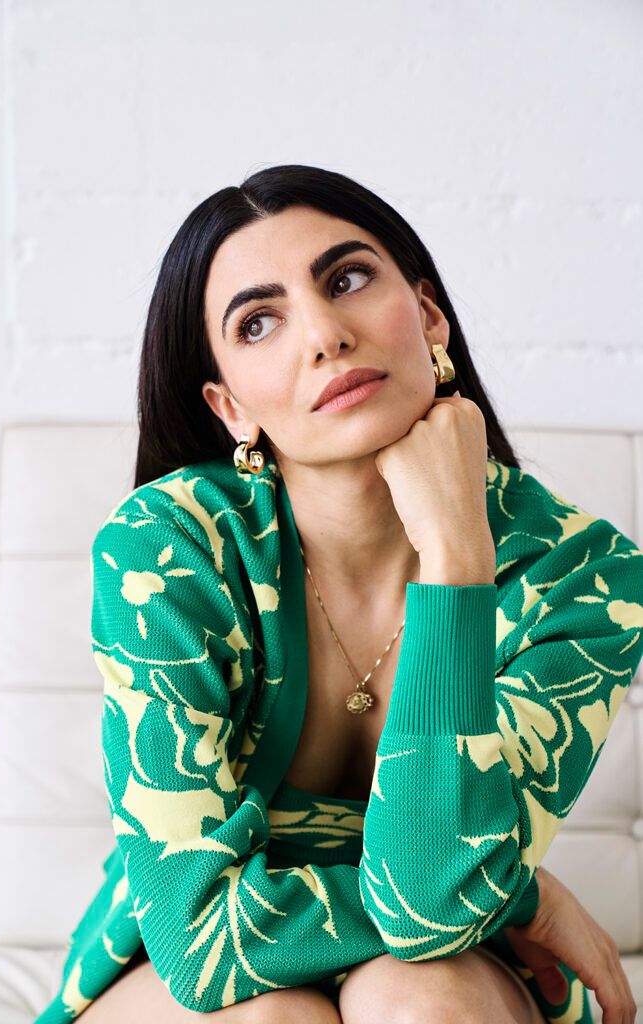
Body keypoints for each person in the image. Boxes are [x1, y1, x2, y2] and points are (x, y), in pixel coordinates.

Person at [34, 164, 641, 1023]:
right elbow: (201, 941)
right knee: (274, 1019)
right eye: (259, 322)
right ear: (229, 405)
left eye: (347, 279)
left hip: (444, 956)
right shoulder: (166, 552)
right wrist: (521, 898)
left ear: (427, 317)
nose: (323, 334)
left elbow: (432, 909)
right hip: (195, 962)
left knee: (418, 1001)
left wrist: (456, 560)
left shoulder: (585, 579)